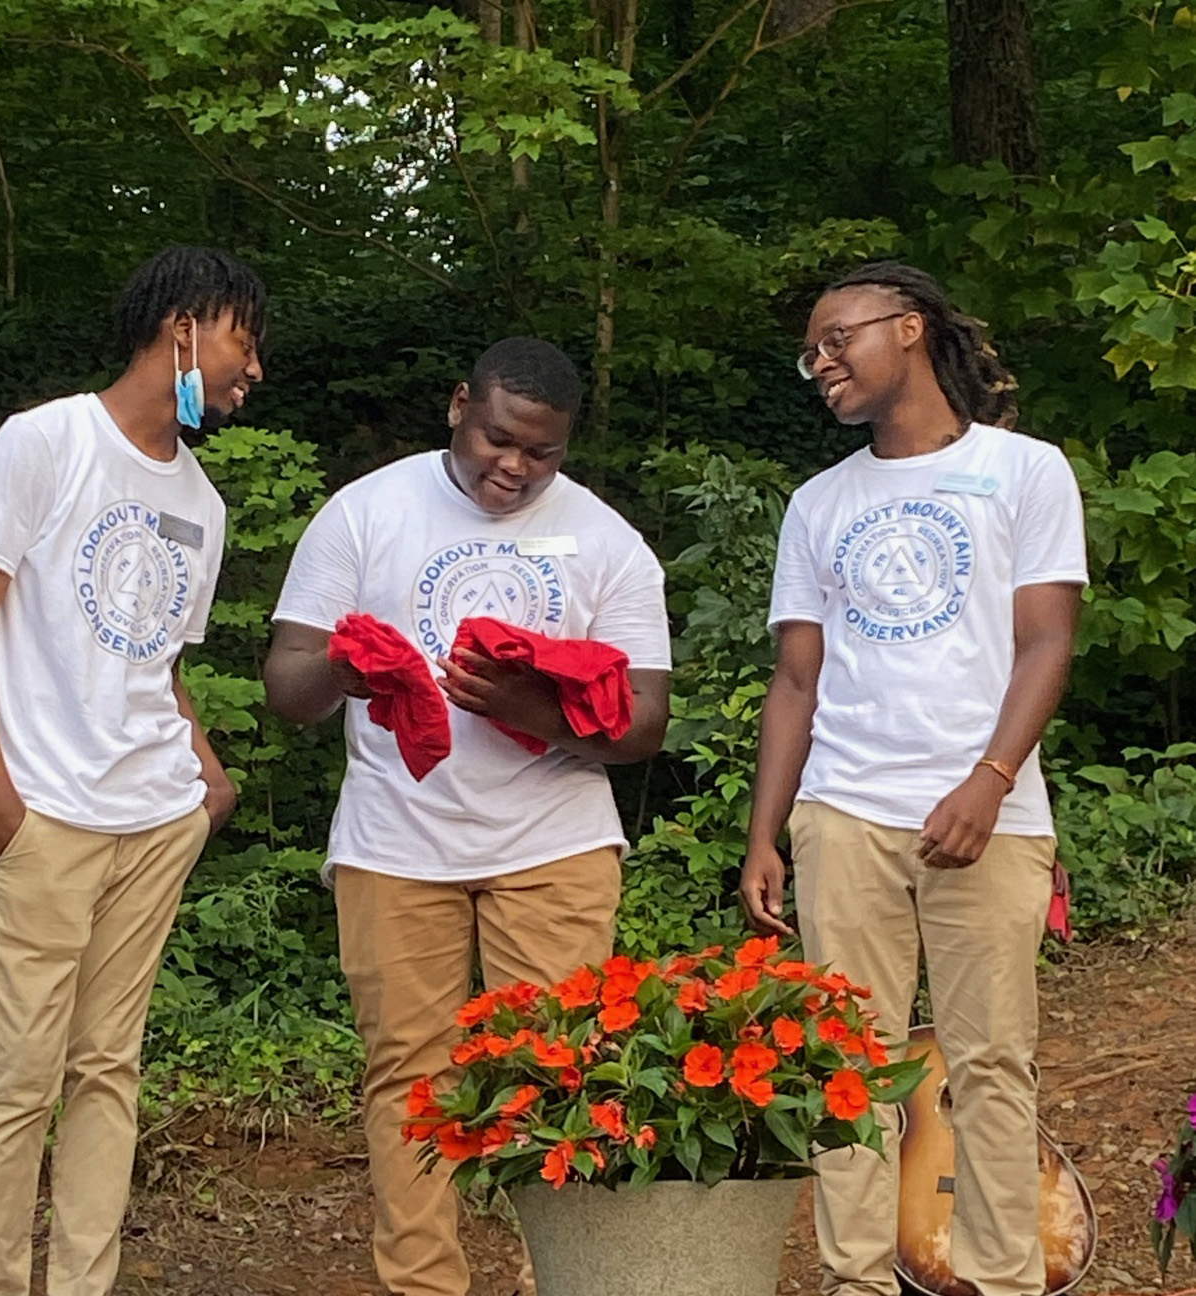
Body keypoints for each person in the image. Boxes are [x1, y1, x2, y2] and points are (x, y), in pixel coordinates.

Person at [263, 337, 671, 1296]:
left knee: (561, 1069)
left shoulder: (610, 541)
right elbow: (288, 686)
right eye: (499, 438)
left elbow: (646, 723)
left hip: (556, 842)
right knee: (413, 1081)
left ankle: (563, 1275)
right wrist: (346, 669)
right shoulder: (365, 513)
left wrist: (520, 707)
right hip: (396, 843)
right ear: (459, 405)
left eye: (544, 453)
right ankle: (424, 1285)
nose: (516, 466)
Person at [739, 262, 1088, 1296]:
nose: (822, 362)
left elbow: (1046, 643)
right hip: (843, 815)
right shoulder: (817, 503)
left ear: (910, 328)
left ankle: (1002, 1281)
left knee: (988, 1066)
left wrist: (988, 779)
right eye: (812, 350)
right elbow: (796, 679)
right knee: (850, 1070)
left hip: (989, 815)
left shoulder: (1024, 473)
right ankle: (855, 1281)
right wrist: (767, 833)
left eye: (838, 337)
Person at [0, 246, 266, 1296]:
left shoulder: (201, 504)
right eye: (241, 346)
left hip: (154, 820)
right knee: (19, 1080)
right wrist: (0, 804)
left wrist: (207, 777)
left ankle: (83, 1284)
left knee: (107, 1073)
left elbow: (152, 662)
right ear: (182, 331)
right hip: (47, 816)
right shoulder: (46, 442)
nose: (252, 373)